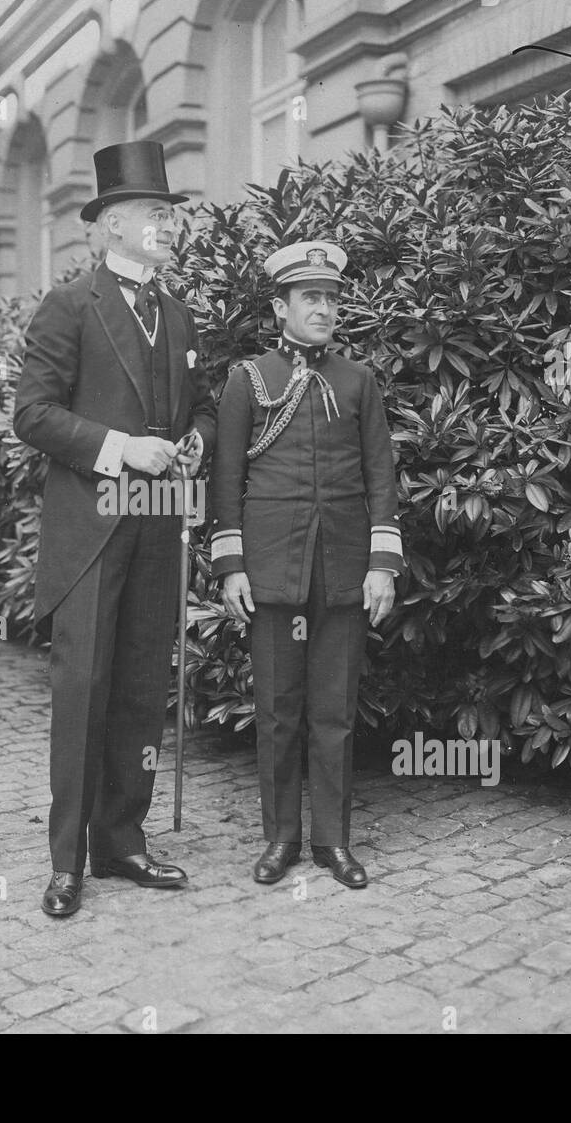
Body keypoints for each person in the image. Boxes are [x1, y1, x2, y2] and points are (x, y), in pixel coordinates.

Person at [14, 140, 217, 917]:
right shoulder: (70, 306)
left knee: (139, 689)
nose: (168, 227)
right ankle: (67, 861)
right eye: (154, 214)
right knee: (84, 691)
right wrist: (120, 449)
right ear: (108, 227)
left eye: (169, 214)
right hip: (92, 531)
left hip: (159, 527)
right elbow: (31, 413)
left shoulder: (179, 312)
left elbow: (194, 405)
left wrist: (194, 436)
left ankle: (122, 841)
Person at [208, 240, 403, 889]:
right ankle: (281, 839)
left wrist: (382, 564)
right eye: (310, 298)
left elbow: (382, 475)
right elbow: (227, 478)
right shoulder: (250, 381)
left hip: (344, 571)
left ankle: (334, 842)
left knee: (334, 711)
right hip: (272, 569)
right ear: (280, 306)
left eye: (331, 298)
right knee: (278, 710)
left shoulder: (357, 381)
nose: (324, 309)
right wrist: (233, 566)